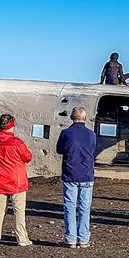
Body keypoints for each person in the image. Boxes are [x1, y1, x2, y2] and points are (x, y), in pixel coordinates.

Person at [0, 114, 34, 247]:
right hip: (17, 182)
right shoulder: (17, 143)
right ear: (12, 126)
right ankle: (22, 238)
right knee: (19, 212)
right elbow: (28, 157)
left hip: (0, 181)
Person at [56, 106, 97, 248]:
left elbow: (59, 149)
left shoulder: (66, 133)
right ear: (84, 118)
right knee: (85, 208)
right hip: (87, 174)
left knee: (70, 207)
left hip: (70, 174)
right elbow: (92, 150)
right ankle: (84, 238)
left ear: (72, 118)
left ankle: (70, 238)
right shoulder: (92, 135)